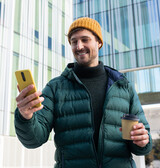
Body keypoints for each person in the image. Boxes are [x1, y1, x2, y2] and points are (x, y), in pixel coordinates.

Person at [14, 17, 152, 168]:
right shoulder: (55, 88)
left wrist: (142, 141)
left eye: (85, 40)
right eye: (74, 41)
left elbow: (143, 144)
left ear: (99, 43)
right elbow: (34, 140)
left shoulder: (123, 86)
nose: (79, 46)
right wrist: (25, 117)